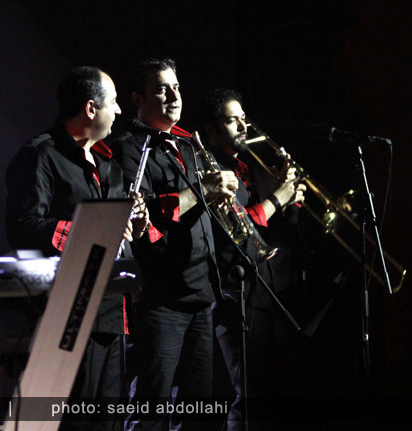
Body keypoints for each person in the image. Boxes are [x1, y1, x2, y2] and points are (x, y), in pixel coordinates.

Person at [5, 66, 149, 431]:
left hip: (112, 310)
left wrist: (133, 223)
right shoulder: (41, 154)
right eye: (114, 102)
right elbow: (23, 226)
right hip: (68, 314)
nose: (119, 111)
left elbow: (120, 236)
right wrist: (88, 232)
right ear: (90, 108)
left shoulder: (108, 163)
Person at [109, 58, 239, 430]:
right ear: (138, 98)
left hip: (200, 293)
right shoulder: (129, 148)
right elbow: (141, 214)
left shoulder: (187, 144)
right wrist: (202, 190)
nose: (173, 96)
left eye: (176, 87)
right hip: (160, 298)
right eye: (161, 89)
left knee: (200, 410)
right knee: (151, 409)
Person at [198, 88, 305, 430]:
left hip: (263, 287)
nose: (244, 127)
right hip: (234, 292)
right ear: (212, 130)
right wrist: (277, 198)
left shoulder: (245, 167)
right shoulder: (211, 169)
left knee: (271, 390)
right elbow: (238, 228)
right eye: (233, 121)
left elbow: (273, 230)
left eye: (244, 119)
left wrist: (289, 195)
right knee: (249, 394)